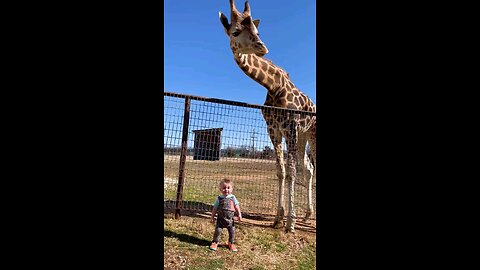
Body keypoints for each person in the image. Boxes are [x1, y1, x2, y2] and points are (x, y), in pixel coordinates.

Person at [208, 178, 242, 252]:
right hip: (220, 220)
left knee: (232, 232)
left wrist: (239, 214)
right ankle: (215, 242)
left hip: (230, 220)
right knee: (218, 231)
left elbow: (236, 206)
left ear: (232, 189)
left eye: (228, 188)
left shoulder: (233, 198)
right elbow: (215, 208)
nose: (226, 190)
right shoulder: (219, 198)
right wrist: (212, 216)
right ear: (220, 189)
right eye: (224, 188)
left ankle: (231, 243)